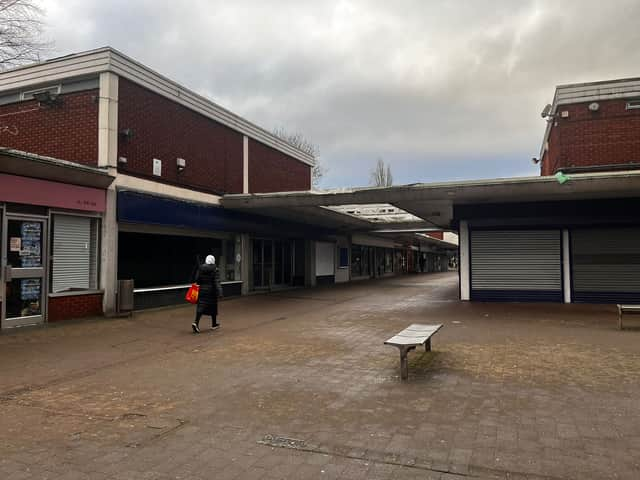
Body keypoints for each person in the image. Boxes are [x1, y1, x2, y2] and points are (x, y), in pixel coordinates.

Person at [192, 255, 223, 333]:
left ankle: (196, 322)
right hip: (211, 292)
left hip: (202, 290)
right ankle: (214, 324)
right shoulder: (215, 269)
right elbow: (217, 281)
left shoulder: (201, 268)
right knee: (213, 307)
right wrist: (220, 292)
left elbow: (197, 280)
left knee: (201, 306)